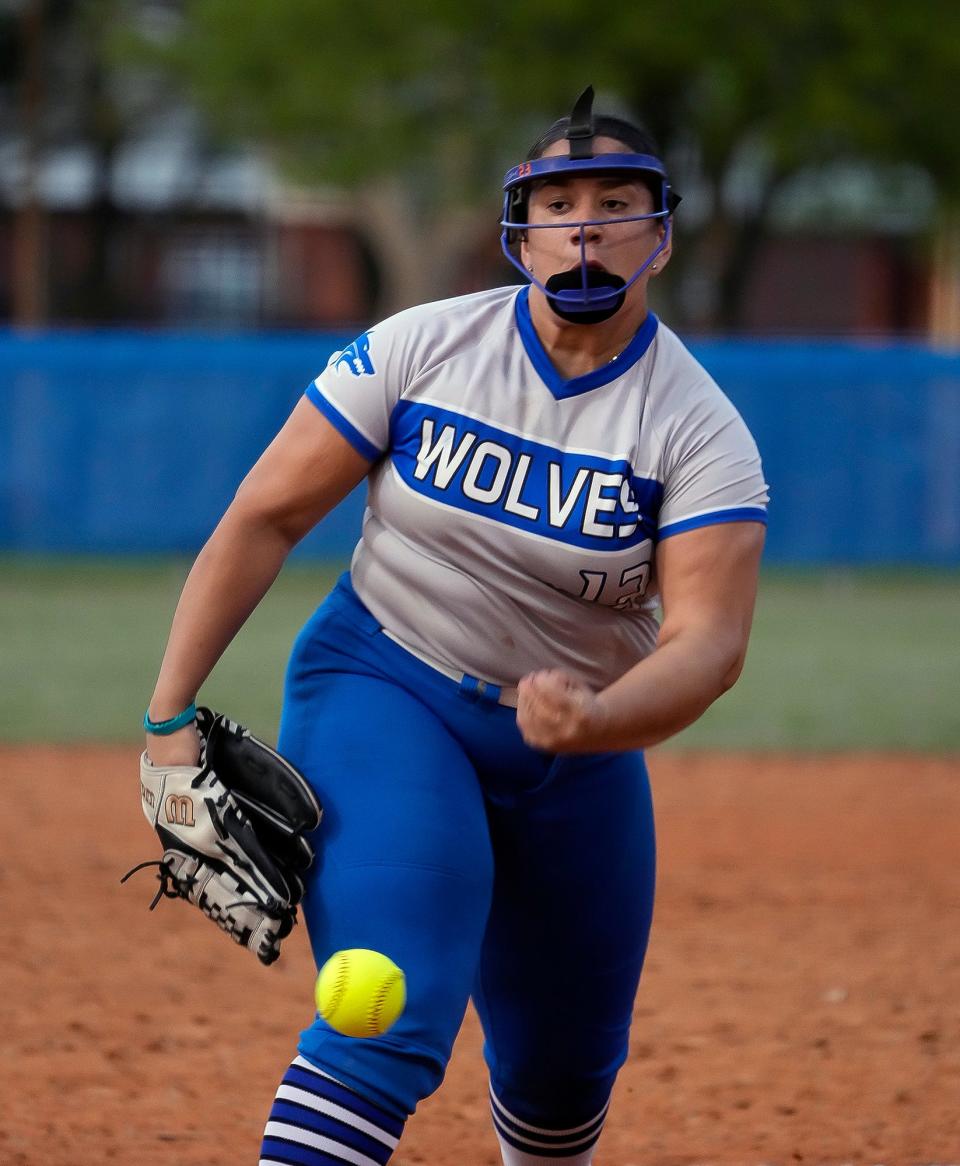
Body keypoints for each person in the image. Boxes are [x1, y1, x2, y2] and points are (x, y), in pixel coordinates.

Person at [142, 86, 768, 1166]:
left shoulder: (697, 427)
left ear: (659, 236)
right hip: (387, 683)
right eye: (558, 203)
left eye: (616, 203)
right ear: (518, 233)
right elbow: (266, 515)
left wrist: (598, 717)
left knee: (563, 1075)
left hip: (577, 747)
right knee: (386, 1009)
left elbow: (709, 644)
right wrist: (166, 717)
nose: (585, 226)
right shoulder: (424, 347)